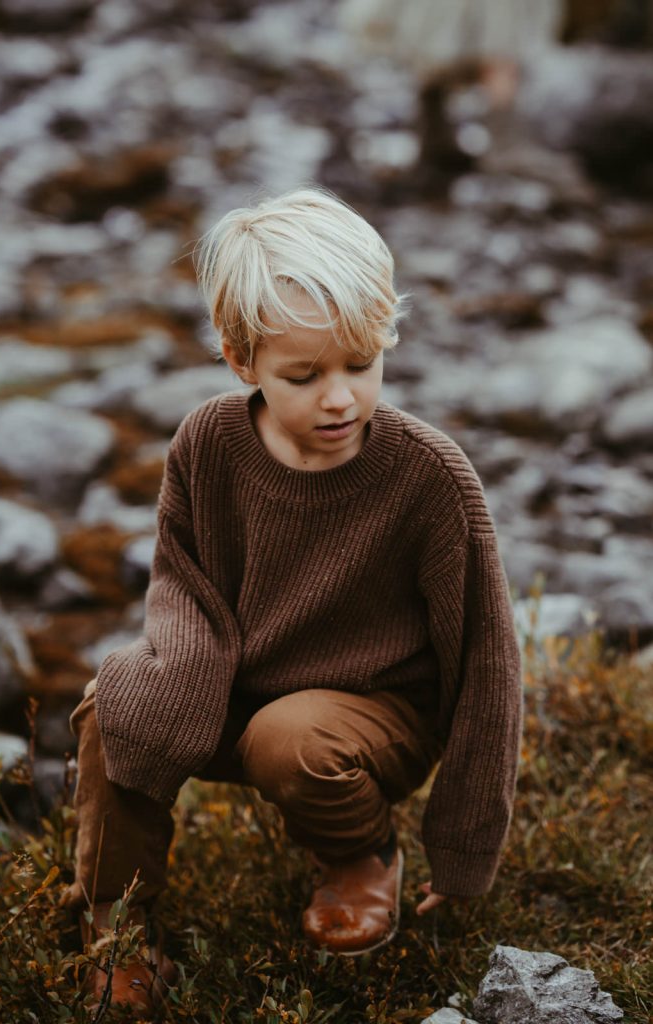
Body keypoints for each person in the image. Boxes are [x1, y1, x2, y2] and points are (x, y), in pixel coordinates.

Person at [67, 187, 522, 1017]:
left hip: (370, 716)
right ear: (242, 360)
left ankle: (358, 856)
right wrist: (175, 682)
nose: (340, 398)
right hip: (235, 685)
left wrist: (461, 853)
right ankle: (118, 932)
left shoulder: (429, 477)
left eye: (361, 363)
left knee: (291, 736)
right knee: (114, 705)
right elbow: (181, 581)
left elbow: (489, 663)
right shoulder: (207, 444)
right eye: (303, 375)